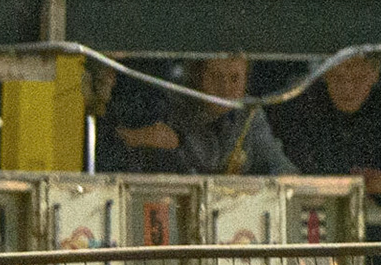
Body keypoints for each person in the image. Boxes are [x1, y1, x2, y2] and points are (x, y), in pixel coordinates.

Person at [109, 56, 295, 177]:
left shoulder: (249, 113)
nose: (225, 88)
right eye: (216, 76)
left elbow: (278, 164)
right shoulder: (171, 107)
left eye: (235, 78)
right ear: (196, 76)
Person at [272, 55, 381, 206]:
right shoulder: (296, 106)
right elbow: (302, 178)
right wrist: (372, 184)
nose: (348, 89)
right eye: (337, 77)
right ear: (324, 74)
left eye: (359, 78)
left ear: (376, 75)